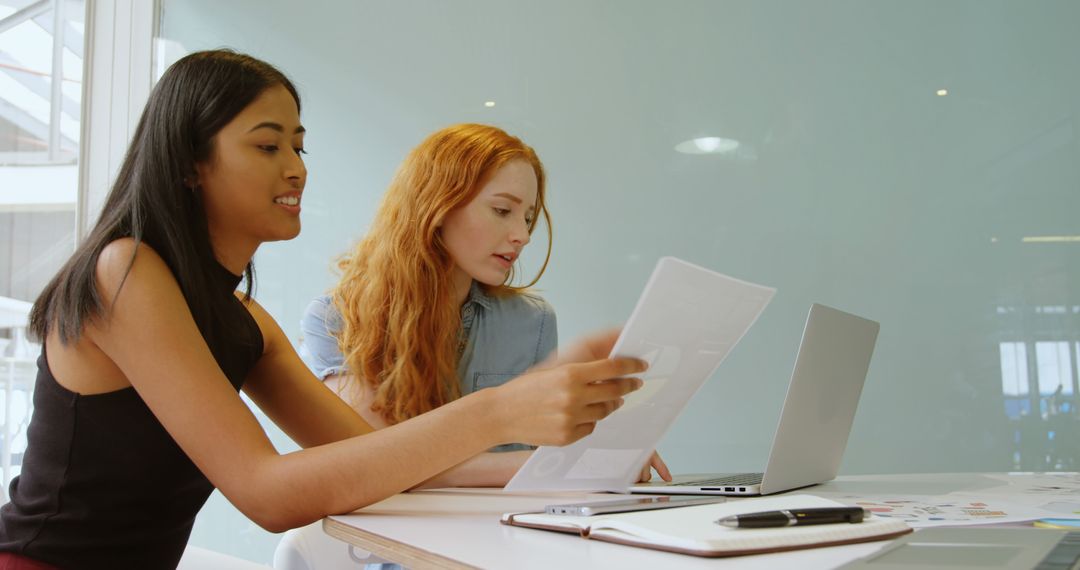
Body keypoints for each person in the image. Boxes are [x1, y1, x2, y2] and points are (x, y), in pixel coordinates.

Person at [0, 50, 644, 569]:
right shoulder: (125, 272)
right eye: (267, 145)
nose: (295, 169)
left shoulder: (246, 322)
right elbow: (266, 491)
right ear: (192, 164)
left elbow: (378, 464)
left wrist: (571, 463)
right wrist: (500, 410)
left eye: (299, 147)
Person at [301, 124, 670, 483]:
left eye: (527, 218)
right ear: (438, 205)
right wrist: (557, 465)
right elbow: (376, 464)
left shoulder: (533, 320)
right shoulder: (336, 319)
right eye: (502, 211)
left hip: (500, 535)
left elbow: (545, 445)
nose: (523, 236)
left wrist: (604, 450)